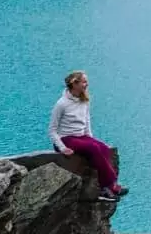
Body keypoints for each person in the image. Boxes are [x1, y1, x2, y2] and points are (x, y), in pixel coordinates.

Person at [48, 70, 127, 201]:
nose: (87, 84)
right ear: (75, 84)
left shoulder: (84, 101)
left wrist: (91, 138)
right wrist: (62, 148)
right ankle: (106, 187)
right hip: (65, 139)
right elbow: (52, 130)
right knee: (93, 149)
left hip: (81, 137)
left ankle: (110, 186)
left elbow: (87, 122)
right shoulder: (61, 104)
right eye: (84, 82)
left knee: (104, 148)